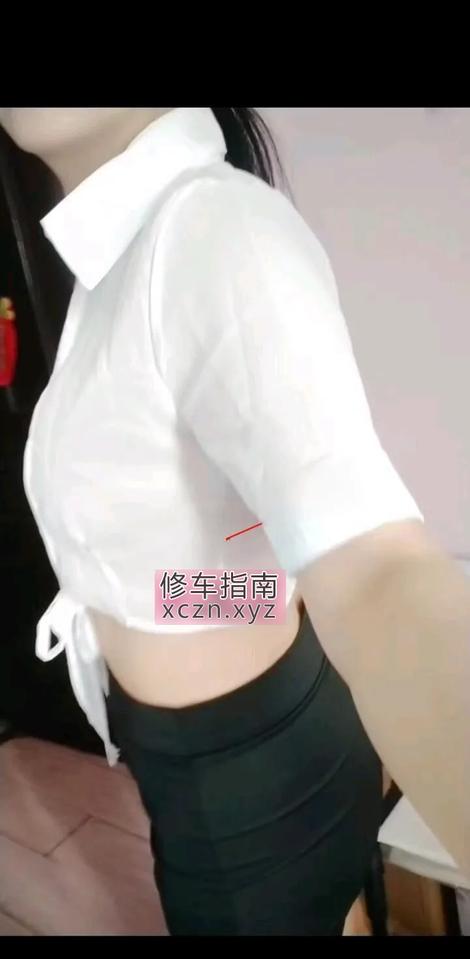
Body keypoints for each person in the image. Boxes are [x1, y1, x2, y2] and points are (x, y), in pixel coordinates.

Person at [1, 106, 469, 936]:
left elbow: (378, 572)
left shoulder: (210, 228)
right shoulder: (119, 260)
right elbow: (173, 568)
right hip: (207, 748)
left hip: (251, 776)